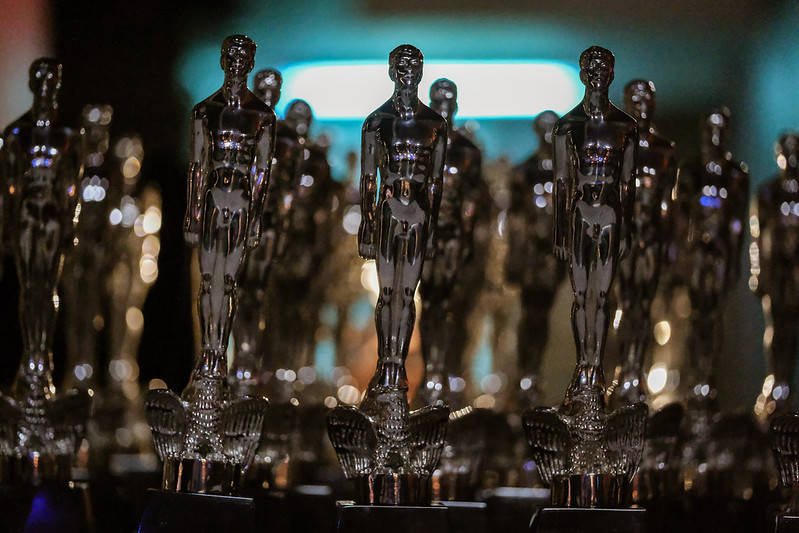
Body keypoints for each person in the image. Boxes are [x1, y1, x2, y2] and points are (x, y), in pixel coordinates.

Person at [183, 34, 276, 378]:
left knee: (229, 281)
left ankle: (220, 354)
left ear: (251, 63)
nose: (236, 63)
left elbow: (262, 172)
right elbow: (197, 166)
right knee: (208, 280)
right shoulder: (204, 111)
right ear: (223, 60)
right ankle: (206, 354)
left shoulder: (262, 115)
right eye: (231, 56)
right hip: (211, 199)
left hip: (241, 202)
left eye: (243, 57)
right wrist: (192, 214)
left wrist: (255, 218)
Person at [358, 44, 447, 397]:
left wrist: (432, 229)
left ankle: (397, 365)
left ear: (421, 71)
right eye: (402, 64)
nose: (408, 70)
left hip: (419, 213)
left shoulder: (435, 124)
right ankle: (385, 362)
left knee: (407, 295)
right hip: (388, 209)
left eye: (414, 64)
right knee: (387, 293)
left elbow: (436, 181)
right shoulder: (376, 122)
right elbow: (369, 178)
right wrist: (367, 224)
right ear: (392, 70)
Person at [552, 46, 637, 397]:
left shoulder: (625, 127)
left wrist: (626, 231)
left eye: (604, 69)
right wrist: (560, 233)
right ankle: (582, 365)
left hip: (611, 215)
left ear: (612, 74)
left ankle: (595, 367)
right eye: (592, 69)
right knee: (581, 295)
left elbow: (628, 183)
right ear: (583, 74)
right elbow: (562, 182)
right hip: (579, 213)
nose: (599, 75)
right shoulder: (567, 126)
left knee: (601, 295)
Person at [609, 80, 678, 407]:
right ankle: (622, 372)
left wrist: (666, 243)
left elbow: (667, 201)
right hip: (624, 236)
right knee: (624, 304)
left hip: (651, 238)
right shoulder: (615, 145)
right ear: (625, 103)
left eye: (647, 100)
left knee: (644, 307)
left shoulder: (665, 150)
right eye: (635, 100)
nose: (641, 106)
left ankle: (636, 372)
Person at [417, 78, 482, 408]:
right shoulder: (420, 144)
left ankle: (445, 371)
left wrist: (466, 238)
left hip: (453, 237)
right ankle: (431, 371)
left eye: (448, 103)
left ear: (455, 106)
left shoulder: (467, 151)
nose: (443, 108)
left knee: (450, 306)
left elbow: (471, 201)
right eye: (438, 103)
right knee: (428, 305)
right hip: (424, 235)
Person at [505, 110, 564, 407]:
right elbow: (514, 217)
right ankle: (524, 372)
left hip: (552, 254)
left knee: (543, 315)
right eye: (544, 129)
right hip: (530, 253)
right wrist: (515, 255)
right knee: (529, 313)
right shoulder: (523, 171)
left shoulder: (566, 173)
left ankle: (534, 372)